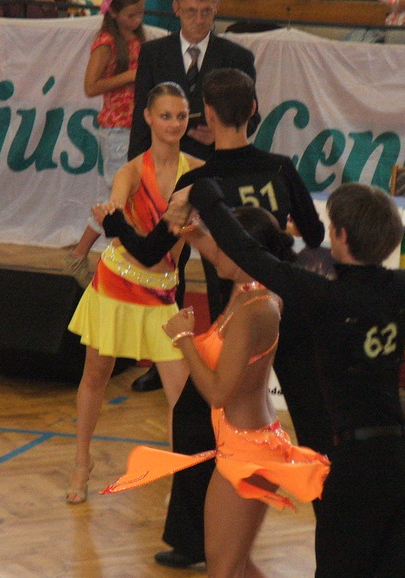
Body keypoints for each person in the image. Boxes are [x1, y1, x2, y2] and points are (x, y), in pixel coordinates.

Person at [168, 179, 405, 578]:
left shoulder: (324, 296)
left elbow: (247, 252)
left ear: (340, 236)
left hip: (356, 465)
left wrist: (204, 191)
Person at [105, 67, 329, 568]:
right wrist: (278, 229)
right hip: (289, 310)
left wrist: (114, 222)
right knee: (316, 426)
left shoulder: (198, 182)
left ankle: (191, 541)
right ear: (254, 111)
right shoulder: (280, 169)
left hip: (237, 317)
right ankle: (353, 553)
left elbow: (149, 252)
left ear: (205, 114)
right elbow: (314, 238)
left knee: (193, 419)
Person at [103, 206, 331, 578]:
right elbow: (216, 248)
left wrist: (184, 340)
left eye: (222, 246)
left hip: (247, 452)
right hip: (243, 443)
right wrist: (192, 232)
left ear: (244, 251)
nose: (213, 255)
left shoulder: (254, 310)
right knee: (237, 567)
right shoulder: (248, 287)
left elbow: (217, 393)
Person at [64, 82, 203, 504]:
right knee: (96, 376)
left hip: (162, 296)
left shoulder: (197, 171)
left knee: (181, 395)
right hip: (117, 286)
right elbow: (116, 208)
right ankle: (81, 463)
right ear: (147, 117)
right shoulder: (130, 172)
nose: (174, 124)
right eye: (165, 116)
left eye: (181, 116)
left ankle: (183, 484)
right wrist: (109, 215)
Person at [126, 0, 261, 392]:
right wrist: (139, 177)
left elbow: (252, 115)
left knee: (223, 268)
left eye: (206, 11)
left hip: (217, 174)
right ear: (176, 9)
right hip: (166, 174)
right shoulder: (154, 53)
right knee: (168, 270)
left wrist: (219, 132)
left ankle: (224, 355)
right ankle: (165, 358)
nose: (199, 19)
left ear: (216, 8)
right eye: (191, 11)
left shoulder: (237, 56)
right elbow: (140, 117)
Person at [64, 0, 147, 288]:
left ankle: (90, 255)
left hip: (138, 128)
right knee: (116, 199)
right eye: (131, 14)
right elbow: (90, 87)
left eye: (141, 13)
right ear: (112, 12)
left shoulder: (137, 38)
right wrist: (128, 77)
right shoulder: (106, 42)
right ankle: (83, 255)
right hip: (118, 129)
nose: (138, 19)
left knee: (123, 197)